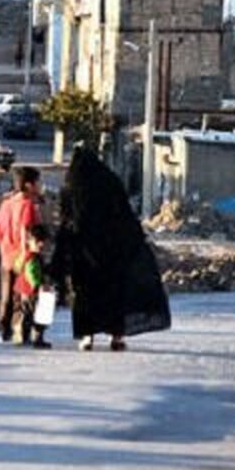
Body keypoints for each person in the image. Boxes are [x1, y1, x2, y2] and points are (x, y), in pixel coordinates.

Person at [48, 147, 171, 351]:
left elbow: (68, 220)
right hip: (113, 253)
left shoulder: (72, 186)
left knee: (85, 295)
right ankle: (117, 337)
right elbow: (125, 215)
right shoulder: (110, 182)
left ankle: (87, 336)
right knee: (114, 295)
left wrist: (64, 251)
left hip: (84, 255)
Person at [0, 166, 46, 346]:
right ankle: (22, 332)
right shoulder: (28, 206)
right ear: (29, 185)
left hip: (6, 258)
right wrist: (27, 256)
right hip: (24, 258)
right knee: (25, 298)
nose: (40, 186)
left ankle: (4, 331)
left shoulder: (5, 205)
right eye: (38, 182)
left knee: (7, 296)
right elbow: (25, 231)